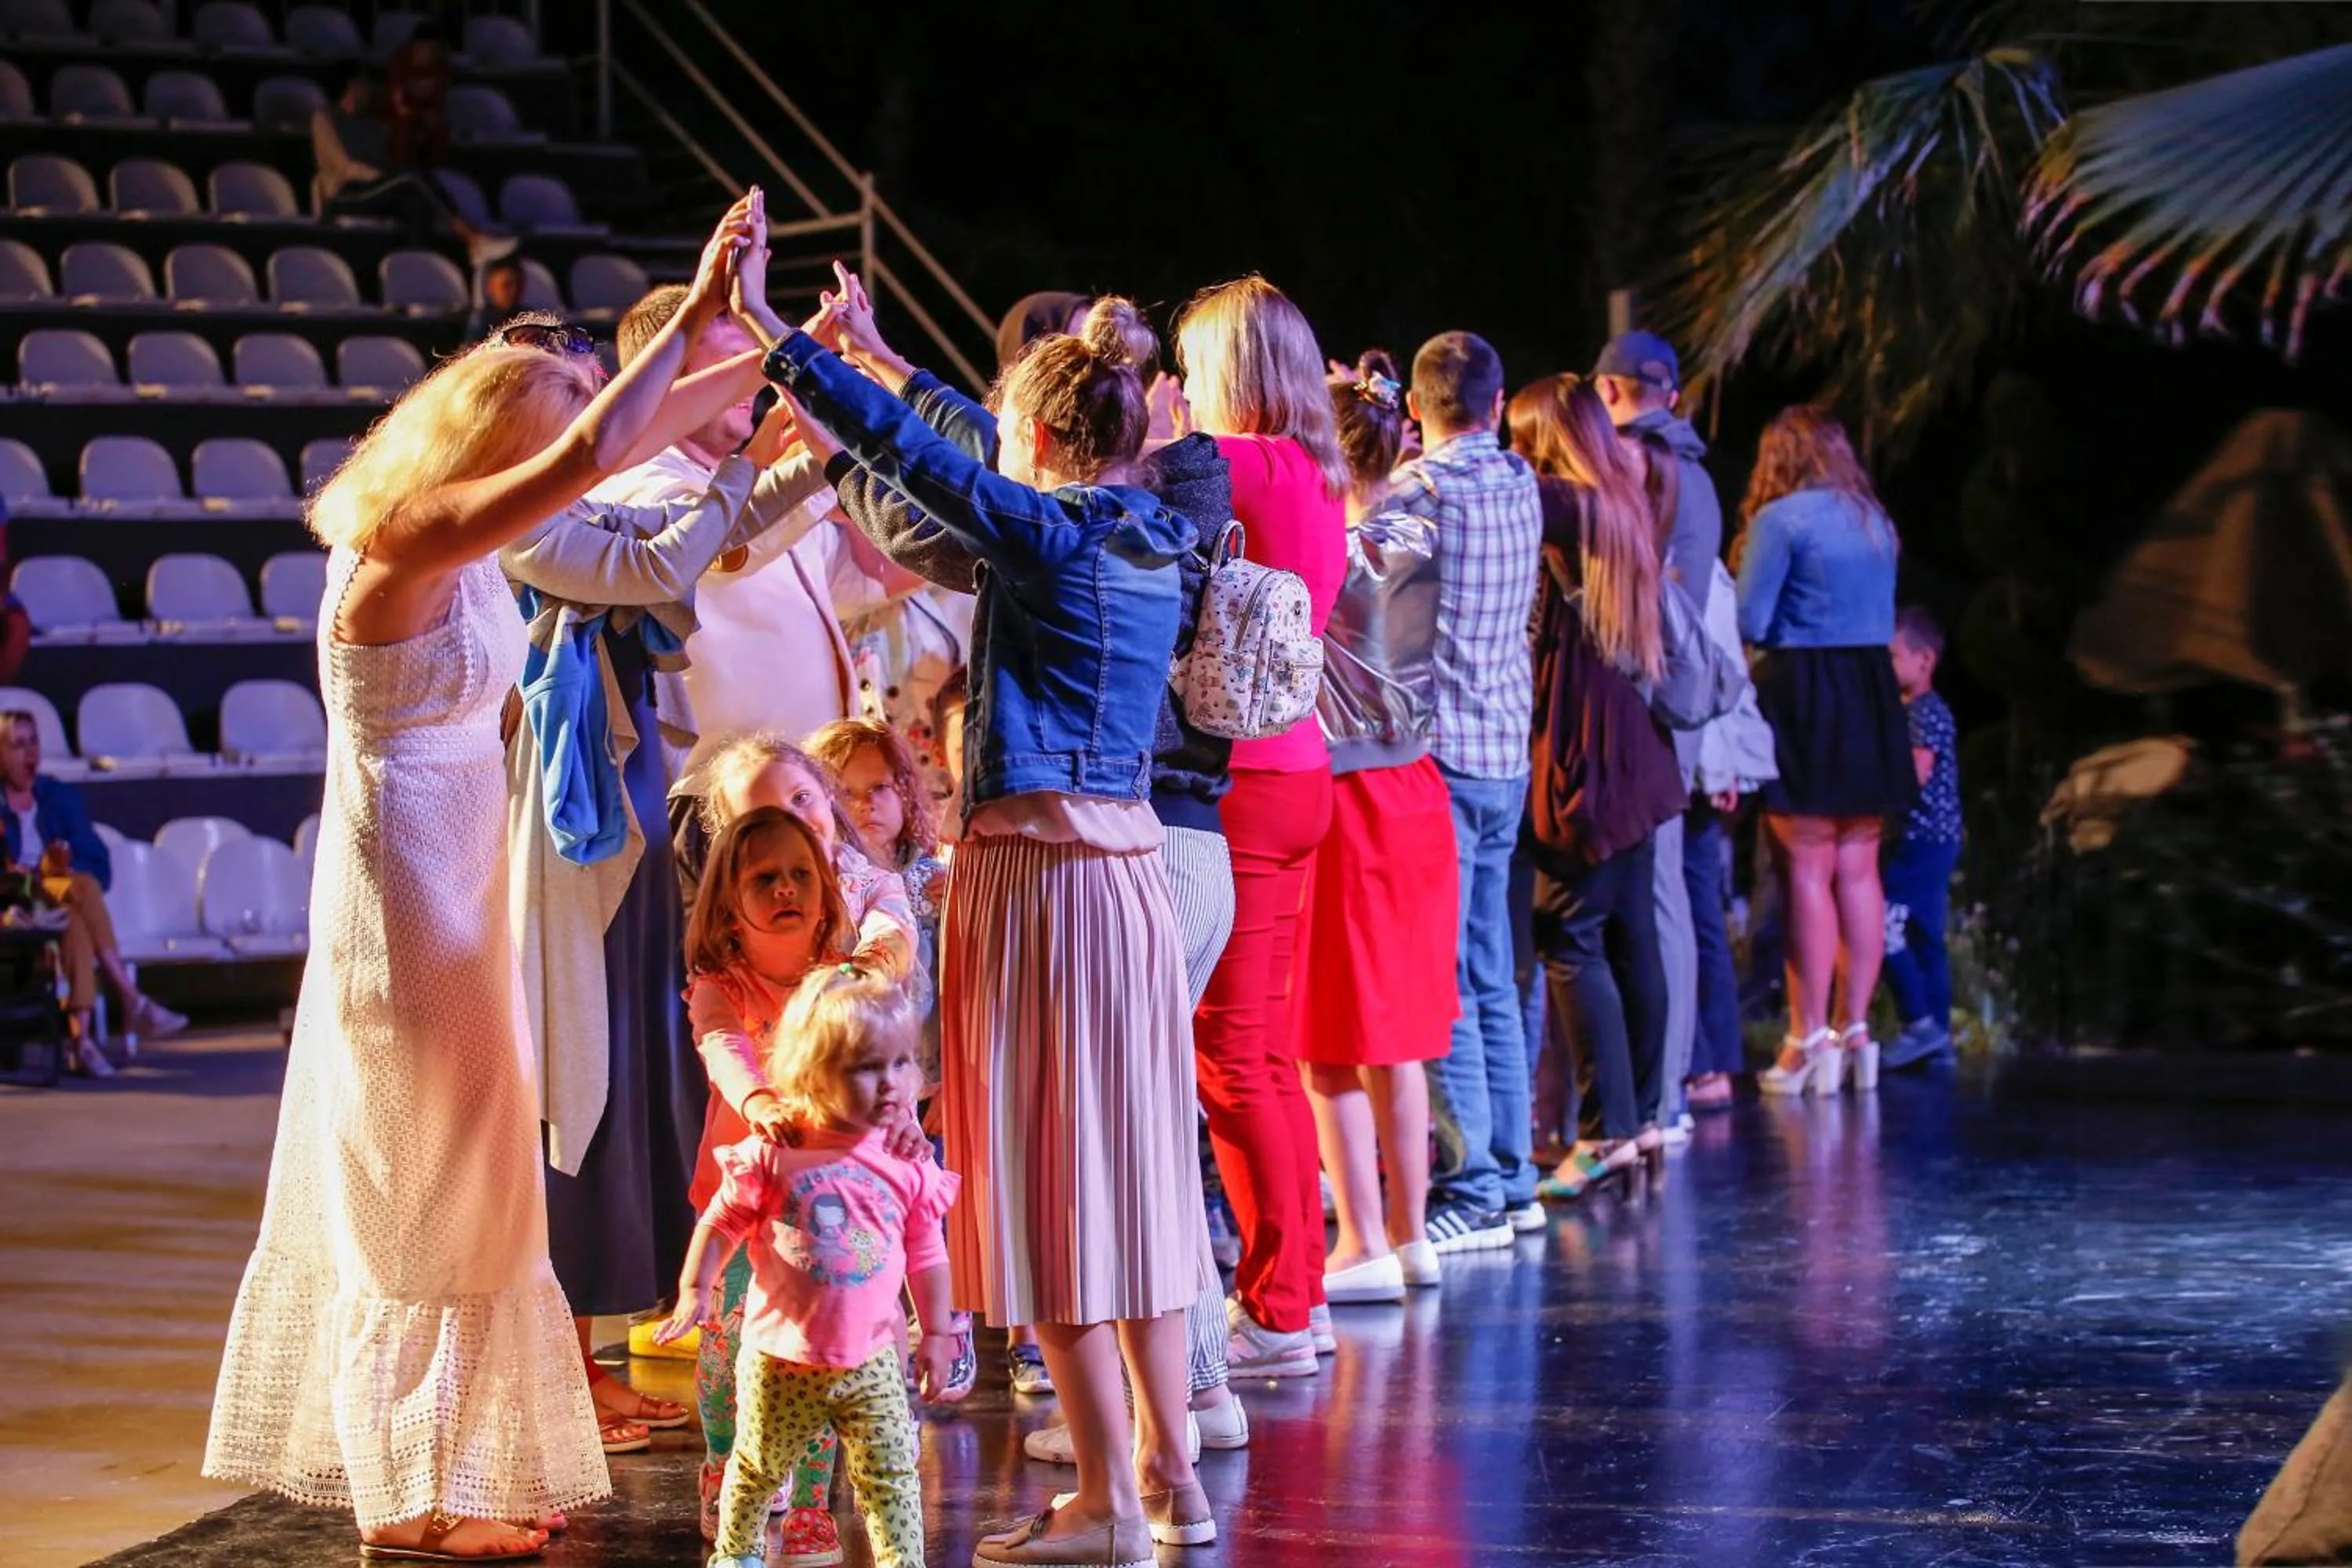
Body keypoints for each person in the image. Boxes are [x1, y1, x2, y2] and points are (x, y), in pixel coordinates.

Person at [204, 193, 758, 1564]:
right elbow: (595, 446)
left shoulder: (458, 549)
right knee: (421, 1183)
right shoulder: (408, 539)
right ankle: (405, 1498)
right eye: (551, 423)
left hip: (462, 865)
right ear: (492, 437)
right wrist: (694, 314)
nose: (570, 452)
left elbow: (625, 428)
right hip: (405, 894)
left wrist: (783, 346)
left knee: (478, 1178)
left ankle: (446, 1472)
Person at [760, 269, 1212, 1568]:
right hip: (1124, 880)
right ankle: (1173, 1484)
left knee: (1059, 1196)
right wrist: (881, 360)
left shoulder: (1056, 537)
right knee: (1135, 1187)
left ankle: (1112, 1510)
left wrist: (779, 343)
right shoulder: (1149, 531)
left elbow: (932, 460)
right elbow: (963, 438)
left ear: (1053, 444)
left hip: (1041, 885)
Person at [498, 218, 836, 1457]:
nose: (610, 418)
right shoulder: (551, 519)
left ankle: (590, 1352)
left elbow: (735, 533)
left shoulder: (604, 502)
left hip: (630, 817)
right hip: (579, 828)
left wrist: (819, 443)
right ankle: (566, 1363)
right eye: (584, 404)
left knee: (627, 1076)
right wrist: (757, 344)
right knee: (578, 1081)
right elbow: (680, 559)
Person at [1173, 275, 1348, 1376]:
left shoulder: (1227, 470)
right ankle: (1296, 1293)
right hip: (1300, 771)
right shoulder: (1317, 475)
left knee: (1231, 1059)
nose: (1177, 389)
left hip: (1240, 785)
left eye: (1189, 367)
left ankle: (1281, 1305)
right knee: (1262, 1055)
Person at [657, 961, 959, 1568]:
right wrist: (696, 1287)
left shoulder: (906, 1161)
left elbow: (926, 1253)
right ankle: (736, 1554)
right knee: (757, 1468)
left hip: (873, 1359)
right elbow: (721, 1221)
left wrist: (940, 1332)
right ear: (814, 1076)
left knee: (892, 1477)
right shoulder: (777, 1150)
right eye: (865, 1068)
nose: (891, 1083)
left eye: (900, 1062)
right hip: (780, 1361)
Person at [1288, 354, 1457, 1304]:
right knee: (1397, 1033)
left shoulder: (1333, 549)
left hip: (1348, 793)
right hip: (1415, 789)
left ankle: (1361, 1238)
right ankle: (1411, 1231)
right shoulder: (1424, 527)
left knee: (1329, 1035)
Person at [1512, 376, 1685, 1199]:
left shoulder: (1568, 505)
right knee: (1628, 935)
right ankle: (1643, 1115)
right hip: (1634, 744)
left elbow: (1506, 488)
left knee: (1570, 936)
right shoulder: (1623, 500)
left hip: (1584, 749)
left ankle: (1605, 1130)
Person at [1396, 330, 1544, 1251]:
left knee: (1449, 977)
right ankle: (1515, 1173)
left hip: (1447, 757)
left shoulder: (1422, 493)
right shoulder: (1524, 482)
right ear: (1497, 404)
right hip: (1506, 754)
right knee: (1492, 972)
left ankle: (1479, 1181)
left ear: (1418, 409)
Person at [1735, 406, 1915, 1096]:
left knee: (1805, 868)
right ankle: (1856, 1031)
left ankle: (1805, 1038)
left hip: (1807, 690)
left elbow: (1751, 618)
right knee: (1858, 868)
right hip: (1871, 691)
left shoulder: (1783, 520)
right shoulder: (1875, 520)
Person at [1598, 331, 1727, 1145]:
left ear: (1610, 394)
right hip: (1672, 697)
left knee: (1651, 895)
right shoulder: (1702, 477)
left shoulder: (1633, 468)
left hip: (1631, 695)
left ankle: (1663, 1088)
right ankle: (1669, 1080)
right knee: (1668, 889)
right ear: (1671, 391)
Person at [0, 709, 183, 1073]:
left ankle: (82, 1043)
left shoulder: (58, 798)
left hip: (61, 896)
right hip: (17, 899)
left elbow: (99, 863)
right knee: (79, 892)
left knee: (77, 914)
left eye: (34, 741)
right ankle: (129, 1001)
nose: (30, 753)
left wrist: (60, 867)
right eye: (18, 745)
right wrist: (35, 872)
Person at [1679, 562, 1779, 1109]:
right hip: (1702, 761)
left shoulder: (1690, 561)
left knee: (1685, 914)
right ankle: (1712, 1060)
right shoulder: (1709, 565)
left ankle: (1702, 1062)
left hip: (1689, 761)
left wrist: (1722, 764)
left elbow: (1719, 666)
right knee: (1700, 914)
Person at [310, 69, 510, 264]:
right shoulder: (326, 118)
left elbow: (395, 156)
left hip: (381, 189)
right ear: (353, 86)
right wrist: (386, 177)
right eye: (366, 86)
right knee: (410, 178)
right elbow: (344, 166)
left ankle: (416, 266)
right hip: (344, 194)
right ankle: (473, 238)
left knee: (417, 203)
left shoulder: (373, 122)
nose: (372, 91)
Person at [1880, 605, 1963, 1069]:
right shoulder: (1922, 711)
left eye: (1893, 656)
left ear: (1924, 660)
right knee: (1926, 936)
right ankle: (1938, 1039)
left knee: (1883, 926)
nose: (1886, 666)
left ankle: (1920, 1024)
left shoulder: (1923, 713)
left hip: (1920, 839)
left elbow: (1916, 774)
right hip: (1936, 839)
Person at [466, 257, 528, 340]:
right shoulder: (481, 320)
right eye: (506, 285)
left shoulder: (528, 318)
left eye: (519, 285)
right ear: (490, 287)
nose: (514, 291)